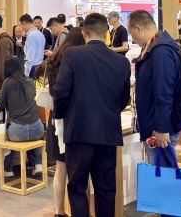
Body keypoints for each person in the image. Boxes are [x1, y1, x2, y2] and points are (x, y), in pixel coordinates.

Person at [53, 13, 131, 217]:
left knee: (78, 187)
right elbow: (124, 100)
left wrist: (61, 115)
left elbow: (60, 92)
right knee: (106, 189)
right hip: (108, 132)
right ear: (106, 34)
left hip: (78, 131)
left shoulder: (72, 54)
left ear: (84, 33)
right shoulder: (121, 62)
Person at [128, 10, 181, 162]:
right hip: (156, 123)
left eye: (131, 33)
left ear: (138, 29)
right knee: (160, 170)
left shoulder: (161, 51)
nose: (132, 38)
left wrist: (162, 127)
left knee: (162, 172)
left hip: (161, 128)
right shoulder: (155, 47)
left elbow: (164, 92)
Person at [43, 27, 85, 217]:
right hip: (76, 119)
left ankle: (59, 211)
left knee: (61, 168)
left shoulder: (55, 60)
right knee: (81, 169)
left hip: (56, 118)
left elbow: (55, 93)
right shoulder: (80, 61)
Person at [0, 57, 45, 177]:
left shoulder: (7, 83)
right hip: (37, 128)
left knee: (4, 134)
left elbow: (1, 105)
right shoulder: (30, 81)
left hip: (18, 131)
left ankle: (8, 169)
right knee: (31, 135)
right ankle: (37, 164)